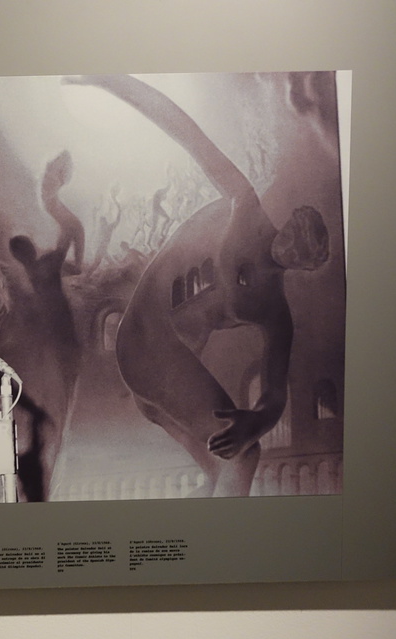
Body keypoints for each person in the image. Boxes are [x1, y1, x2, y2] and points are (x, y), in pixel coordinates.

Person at [66, 74, 330, 497]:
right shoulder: (244, 206)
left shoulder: (273, 308)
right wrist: (111, 80)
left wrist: (257, 420)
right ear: (290, 220)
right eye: (295, 233)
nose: (291, 247)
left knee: (225, 469)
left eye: (303, 253)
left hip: (162, 372)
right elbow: (183, 128)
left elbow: (274, 394)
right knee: (243, 457)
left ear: (305, 265)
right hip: (149, 341)